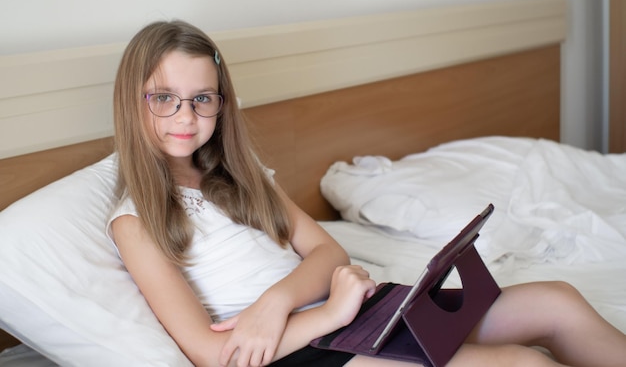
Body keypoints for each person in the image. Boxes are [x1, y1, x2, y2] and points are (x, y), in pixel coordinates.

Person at [108, 20, 626, 367]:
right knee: (524, 363)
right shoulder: (138, 220)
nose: (185, 116)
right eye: (164, 99)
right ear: (134, 102)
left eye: (201, 99)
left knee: (558, 301)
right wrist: (327, 313)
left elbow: (328, 250)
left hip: (353, 313)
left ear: (221, 105)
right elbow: (207, 352)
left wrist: (278, 299)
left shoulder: (240, 177)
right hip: (307, 351)